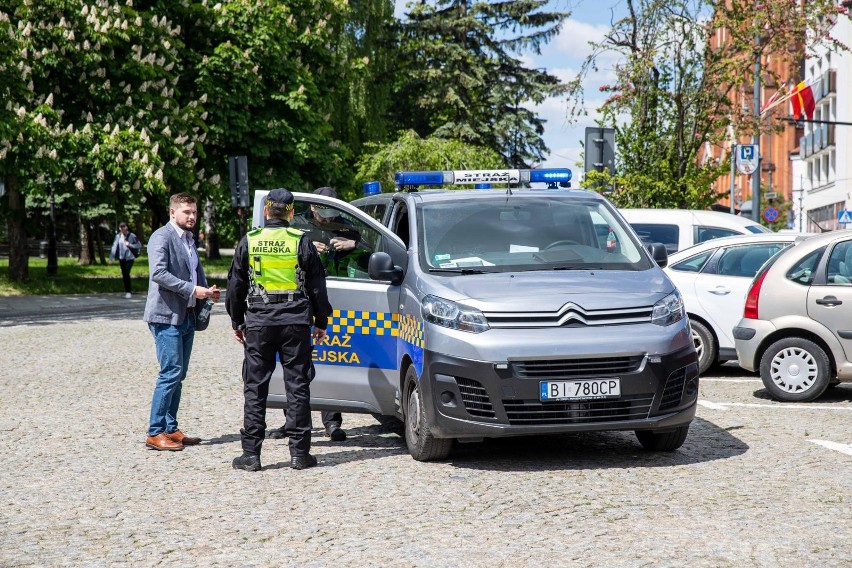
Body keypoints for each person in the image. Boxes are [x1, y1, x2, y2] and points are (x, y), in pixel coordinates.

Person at [227, 188, 332, 472]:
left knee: (255, 387)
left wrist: (237, 321)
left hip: (259, 322)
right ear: (289, 213)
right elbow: (317, 288)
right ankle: (300, 454)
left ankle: (251, 455)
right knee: (297, 385)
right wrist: (321, 322)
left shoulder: (249, 241)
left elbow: (236, 286)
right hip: (295, 322)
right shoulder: (301, 242)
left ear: (265, 211)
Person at [267, 186, 355, 442]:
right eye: (323, 211)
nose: (328, 218)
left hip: (333, 298)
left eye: (333, 211)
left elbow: (370, 248)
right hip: (297, 301)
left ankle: (332, 422)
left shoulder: (347, 225)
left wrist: (354, 243)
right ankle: (292, 421)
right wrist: (306, 249)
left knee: (333, 360)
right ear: (313, 207)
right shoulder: (297, 224)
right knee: (292, 368)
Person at [143, 193, 220, 451]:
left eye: (195, 212)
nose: (192, 217)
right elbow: (158, 273)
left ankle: (171, 428)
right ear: (172, 213)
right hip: (165, 317)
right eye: (187, 212)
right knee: (170, 373)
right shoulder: (161, 237)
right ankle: (155, 433)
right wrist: (191, 290)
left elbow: (194, 272)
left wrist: (207, 292)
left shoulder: (189, 239)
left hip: (186, 316)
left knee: (179, 375)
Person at [109, 222, 142, 299]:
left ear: (126, 227)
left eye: (124, 227)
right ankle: (127, 291)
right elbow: (114, 246)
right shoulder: (118, 236)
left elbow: (139, 245)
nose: (122, 228)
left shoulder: (132, 236)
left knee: (127, 273)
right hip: (122, 258)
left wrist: (130, 244)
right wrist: (111, 257)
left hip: (130, 258)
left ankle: (128, 292)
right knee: (124, 274)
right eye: (121, 227)